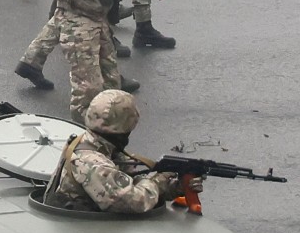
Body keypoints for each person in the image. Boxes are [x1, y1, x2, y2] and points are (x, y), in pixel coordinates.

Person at [43, 89, 194, 213]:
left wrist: (175, 187)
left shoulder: (93, 142)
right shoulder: (93, 162)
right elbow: (132, 203)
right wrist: (158, 183)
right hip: (81, 231)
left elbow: (127, 182)